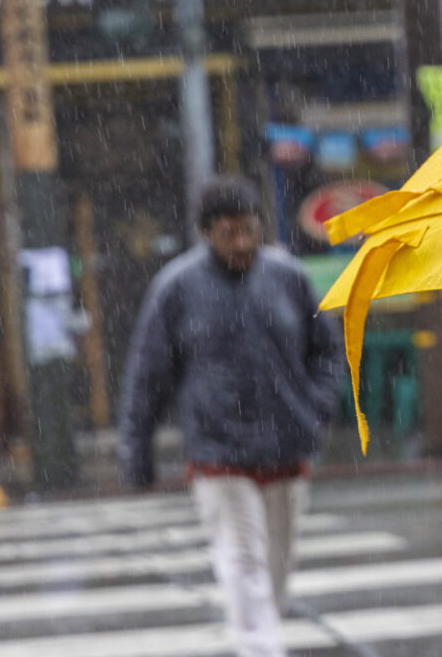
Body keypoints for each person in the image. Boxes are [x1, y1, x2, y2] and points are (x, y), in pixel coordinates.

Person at [119, 176, 343, 657]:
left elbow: (327, 350)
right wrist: (136, 451)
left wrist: (318, 405)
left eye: (248, 230)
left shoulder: (288, 277)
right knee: (243, 563)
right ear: (206, 234)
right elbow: (148, 376)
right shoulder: (176, 289)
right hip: (218, 453)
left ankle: (262, 638)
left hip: (287, 447)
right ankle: (262, 649)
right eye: (229, 234)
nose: (242, 243)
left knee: (276, 572)